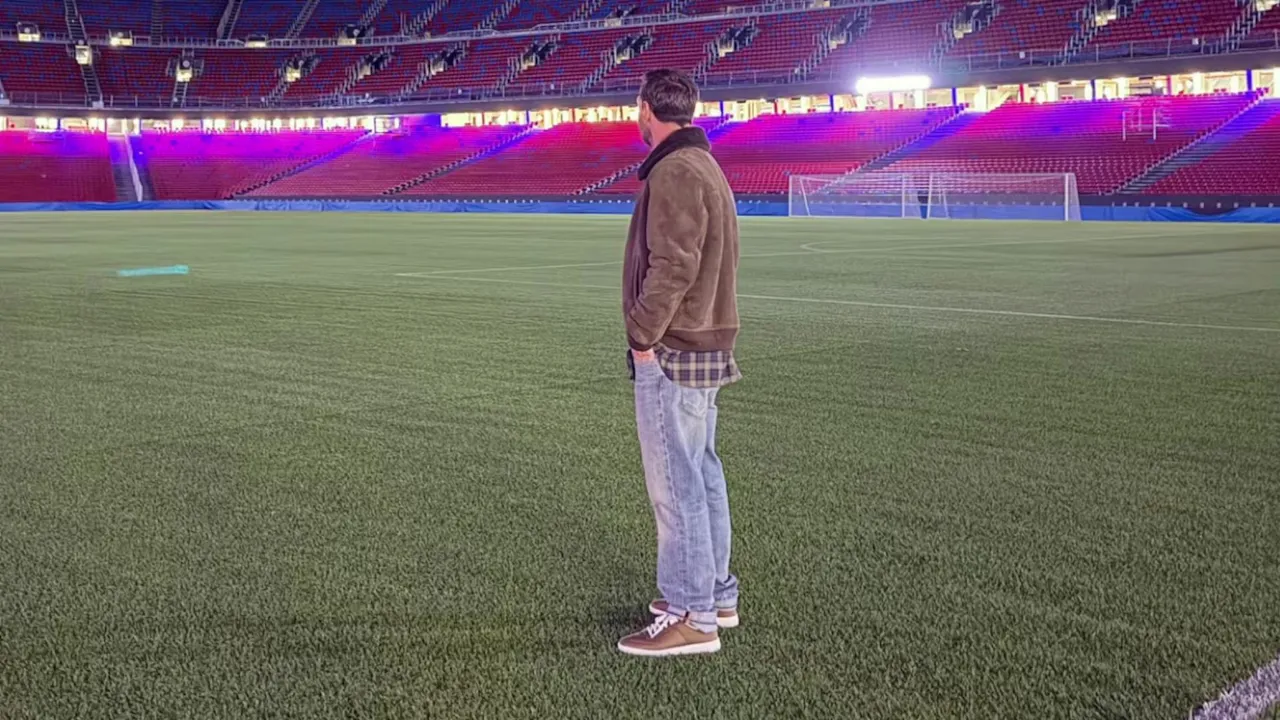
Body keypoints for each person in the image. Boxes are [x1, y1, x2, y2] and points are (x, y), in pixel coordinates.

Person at [616, 69, 742, 658]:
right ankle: (715, 594)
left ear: (646, 108)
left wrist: (642, 335)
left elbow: (673, 265)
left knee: (676, 483)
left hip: (675, 349)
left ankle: (692, 614)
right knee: (702, 472)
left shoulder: (674, 170)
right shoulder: (704, 164)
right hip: (705, 342)